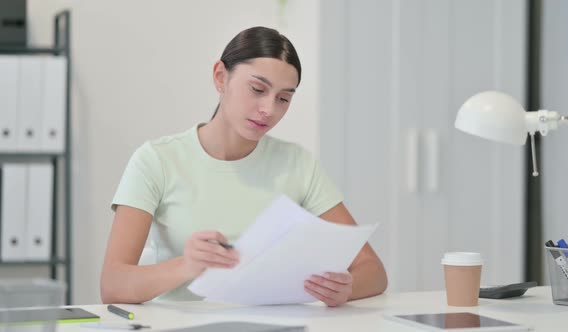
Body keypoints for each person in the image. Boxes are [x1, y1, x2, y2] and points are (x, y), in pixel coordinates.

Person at [100, 26, 387, 307]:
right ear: (220, 76)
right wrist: (187, 265)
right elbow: (113, 284)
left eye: (284, 98)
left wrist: (344, 289)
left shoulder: (298, 164)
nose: (269, 109)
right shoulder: (156, 160)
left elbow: (373, 271)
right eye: (257, 89)